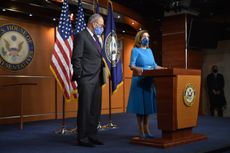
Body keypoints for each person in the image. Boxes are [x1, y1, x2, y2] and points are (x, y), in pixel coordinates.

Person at [71, 14, 105, 147]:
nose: (102, 27)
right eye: (101, 25)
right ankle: (82, 137)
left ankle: (92, 135)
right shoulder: (82, 35)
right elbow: (76, 57)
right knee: (85, 109)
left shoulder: (97, 38)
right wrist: (80, 76)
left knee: (95, 109)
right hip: (86, 78)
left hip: (97, 79)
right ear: (94, 23)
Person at [126, 30, 166, 139]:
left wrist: (163, 69)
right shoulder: (135, 50)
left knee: (147, 107)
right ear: (139, 38)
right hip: (139, 81)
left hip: (149, 81)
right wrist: (137, 68)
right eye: (144, 37)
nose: (147, 39)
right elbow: (131, 65)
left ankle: (147, 129)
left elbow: (154, 65)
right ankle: (141, 130)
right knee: (140, 108)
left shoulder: (149, 51)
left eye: (148, 37)